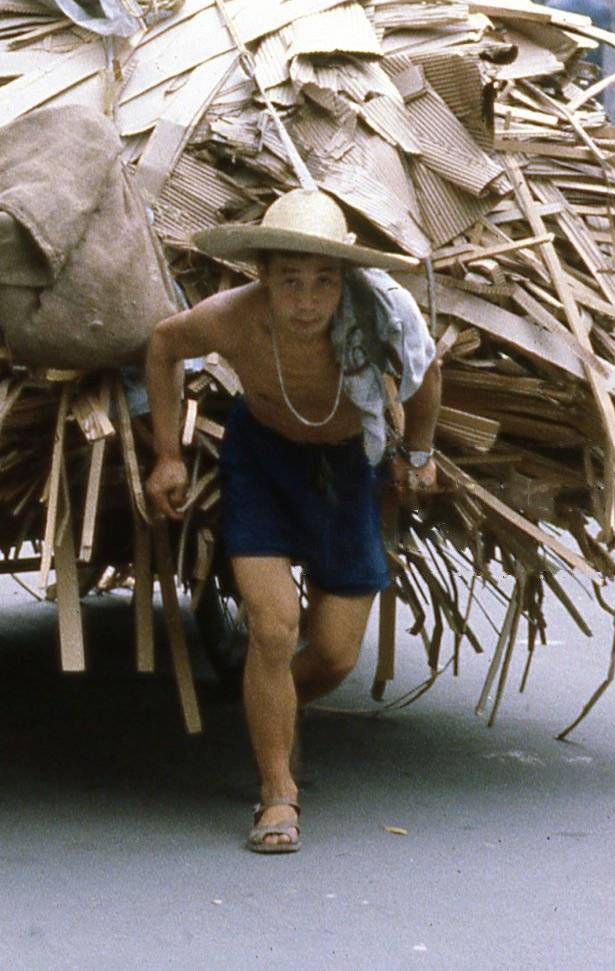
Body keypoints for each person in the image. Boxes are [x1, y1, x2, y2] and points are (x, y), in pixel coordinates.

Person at [141, 190, 441, 855]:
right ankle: (277, 792)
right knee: (273, 628)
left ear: (345, 280)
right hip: (263, 464)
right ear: (263, 276)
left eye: (324, 281)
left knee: (333, 654)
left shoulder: (379, 315)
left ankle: (268, 702)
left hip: (349, 464)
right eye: (291, 281)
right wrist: (168, 454)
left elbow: (425, 375)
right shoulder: (234, 319)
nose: (308, 299)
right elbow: (163, 345)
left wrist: (419, 453)